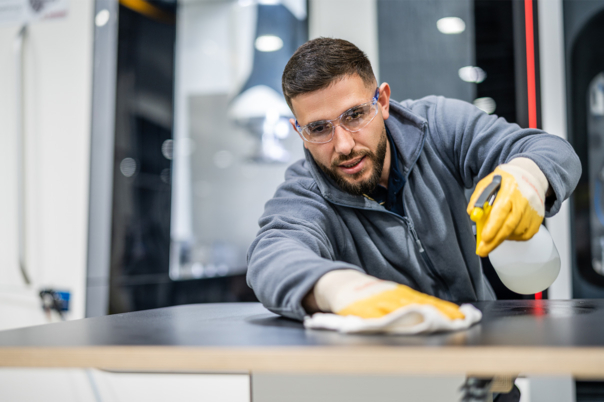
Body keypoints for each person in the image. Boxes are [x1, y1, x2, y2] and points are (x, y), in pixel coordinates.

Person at [246, 37, 581, 322]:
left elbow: (551, 149)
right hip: (394, 377)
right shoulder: (306, 193)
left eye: (355, 115)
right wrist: (338, 289)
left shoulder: (438, 126)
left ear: (383, 101)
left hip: (483, 359)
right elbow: (271, 256)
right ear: (299, 132)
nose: (344, 145)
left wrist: (527, 178)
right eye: (319, 128)